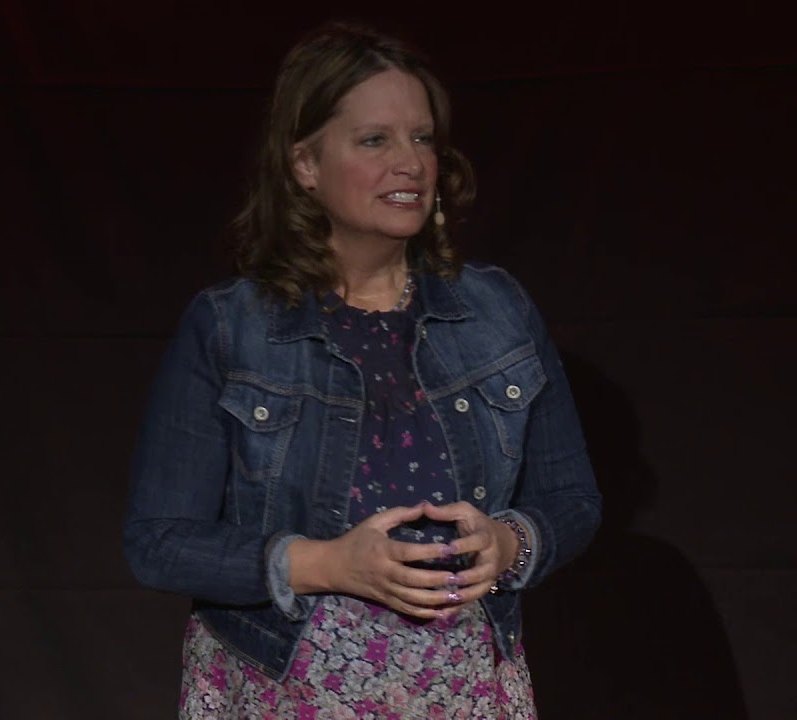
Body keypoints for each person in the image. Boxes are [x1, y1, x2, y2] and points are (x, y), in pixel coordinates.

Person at [123, 22, 601, 719]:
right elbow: (158, 541)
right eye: (375, 140)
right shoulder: (233, 327)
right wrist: (329, 564)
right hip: (290, 691)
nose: (410, 163)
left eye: (422, 138)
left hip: (462, 691)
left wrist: (509, 543)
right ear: (305, 164)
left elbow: (572, 498)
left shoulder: (496, 310)